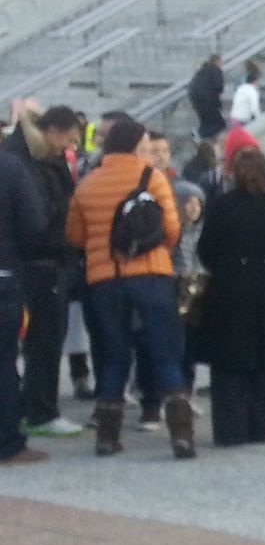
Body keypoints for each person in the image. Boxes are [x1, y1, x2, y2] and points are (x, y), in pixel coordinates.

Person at [64, 116, 191, 458]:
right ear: (137, 147)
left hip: (104, 279)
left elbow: (75, 236)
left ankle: (107, 436)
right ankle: (181, 436)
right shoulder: (154, 178)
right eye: (146, 146)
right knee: (164, 351)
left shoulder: (87, 184)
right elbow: (172, 231)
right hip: (151, 274)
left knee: (114, 356)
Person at [194, 147, 265, 447]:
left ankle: (231, 428)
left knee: (228, 362)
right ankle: (264, 424)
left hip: (229, 284)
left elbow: (205, 249)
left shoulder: (221, 206)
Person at [2, 105, 85, 439]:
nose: (70, 146)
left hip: (30, 263)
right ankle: (40, 411)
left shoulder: (24, 155)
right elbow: (37, 220)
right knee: (45, 339)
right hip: (39, 263)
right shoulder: (26, 162)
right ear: (52, 131)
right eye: (69, 138)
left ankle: (27, 411)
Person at [0, 133, 50, 465]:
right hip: (4, 273)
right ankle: (8, 443)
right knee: (4, 362)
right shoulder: (10, 168)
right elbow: (34, 226)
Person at [171, 179, 206, 396]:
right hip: (175, 288)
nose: (193, 208)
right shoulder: (172, 231)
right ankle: (174, 392)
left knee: (191, 346)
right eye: (188, 203)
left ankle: (188, 391)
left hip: (196, 292)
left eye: (198, 203)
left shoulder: (202, 231)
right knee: (175, 344)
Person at [187, 54, 226, 140]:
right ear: (217, 61)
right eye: (221, 62)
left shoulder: (202, 70)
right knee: (220, 124)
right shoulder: (216, 70)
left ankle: (201, 136)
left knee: (206, 123)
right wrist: (218, 105)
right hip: (206, 100)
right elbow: (218, 87)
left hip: (195, 99)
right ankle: (200, 135)